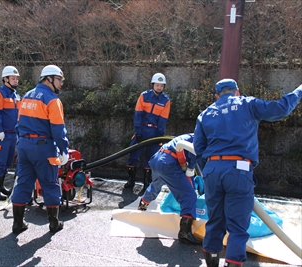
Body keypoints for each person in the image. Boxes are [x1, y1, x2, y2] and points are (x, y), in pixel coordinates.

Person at [193, 79, 302, 267]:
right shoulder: (247, 103)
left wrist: (211, 169)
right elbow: (280, 109)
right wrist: (299, 92)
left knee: (215, 220)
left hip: (212, 170)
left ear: (217, 96)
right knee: (237, 225)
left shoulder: (206, 113)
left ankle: (211, 261)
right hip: (239, 169)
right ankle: (233, 263)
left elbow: (198, 147)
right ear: (237, 91)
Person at [11, 65, 69, 234]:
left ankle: (17, 223)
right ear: (48, 79)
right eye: (59, 80)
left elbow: (18, 123)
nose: (61, 84)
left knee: (23, 183)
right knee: (50, 184)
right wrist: (64, 150)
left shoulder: (27, 95)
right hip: (44, 147)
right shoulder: (52, 100)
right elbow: (58, 129)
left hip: (24, 145)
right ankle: (54, 223)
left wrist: (22, 142)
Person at [138, 133, 202, 244]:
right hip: (168, 162)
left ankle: (142, 205)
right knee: (189, 195)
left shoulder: (191, 136)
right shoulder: (201, 140)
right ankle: (184, 233)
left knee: (155, 186)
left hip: (157, 158)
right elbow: (192, 162)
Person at [125, 73, 171, 195]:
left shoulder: (165, 101)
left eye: (162, 86)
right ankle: (131, 180)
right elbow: (138, 114)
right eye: (157, 85)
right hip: (141, 129)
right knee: (133, 156)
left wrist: (159, 137)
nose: (159, 87)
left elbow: (163, 120)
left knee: (151, 158)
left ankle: (147, 182)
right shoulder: (144, 96)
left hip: (154, 132)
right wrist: (138, 131)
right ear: (153, 85)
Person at [0, 66, 21, 200]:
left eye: (16, 78)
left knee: (7, 161)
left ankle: (0, 186)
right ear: (5, 79)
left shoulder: (16, 95)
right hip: (1, 135)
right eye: (13, 78)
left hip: (12, 134)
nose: (15, 81)